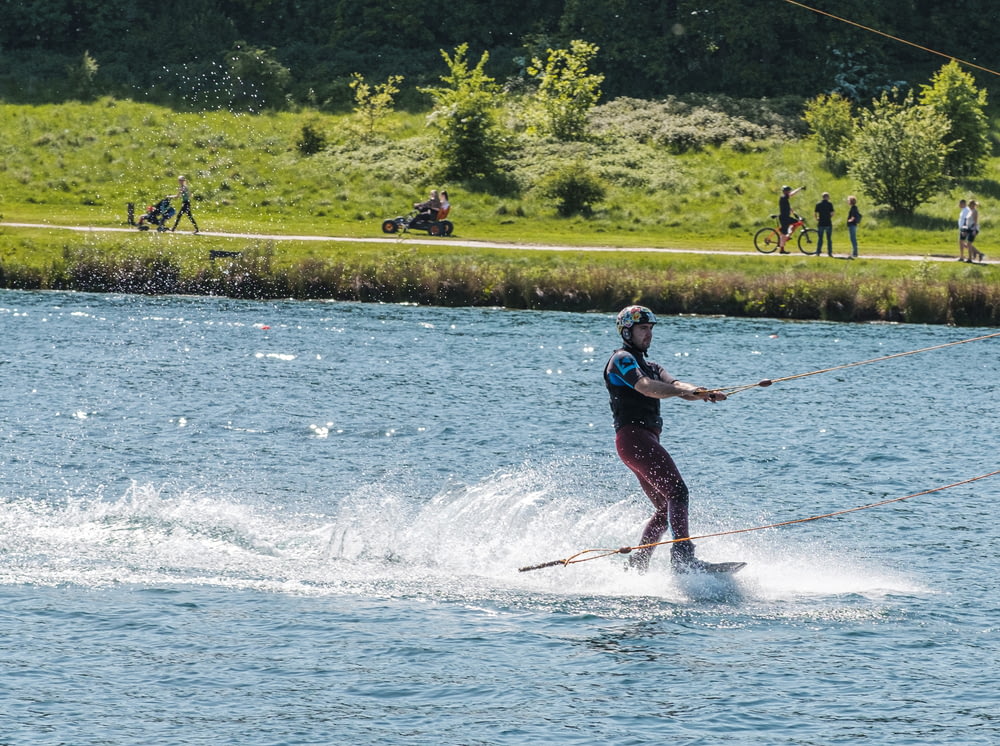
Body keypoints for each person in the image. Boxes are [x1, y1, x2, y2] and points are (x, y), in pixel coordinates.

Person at [604, 305, 727, 574]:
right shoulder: (622, 360)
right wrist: (686, 392)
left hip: (643, 441)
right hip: (633, 439)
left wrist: (702, 392)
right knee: (678, 492)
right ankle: (684, 558)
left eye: (650, 329)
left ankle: (638, 563)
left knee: (664, 509)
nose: (648, 334)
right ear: (627, 331)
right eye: (642, 329)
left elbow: (678, 385)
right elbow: (646, 388)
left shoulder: (652, 365)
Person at [777, 185, 805, 253]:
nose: (789, 192)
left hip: (786, 217)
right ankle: (782, 249)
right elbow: (792, 194)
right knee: (783, 233)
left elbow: (790, 209)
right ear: (786, 192)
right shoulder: (784, 197)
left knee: (796, 223)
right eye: (788, 191)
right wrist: (800, 188)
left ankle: (787, 236)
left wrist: (796, 215)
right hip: (784, 218)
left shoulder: (784, 199)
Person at [814, 191, 835, 257]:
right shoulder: (830, 204)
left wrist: (817, 218)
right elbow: (832, 213)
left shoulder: (818, 204)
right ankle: (830, 253)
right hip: (828, 223)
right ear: (827, 197)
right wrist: (829, 217)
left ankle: (818, 252)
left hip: (821, 223)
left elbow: (815, 213)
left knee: (820, 238)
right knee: (829, 239)